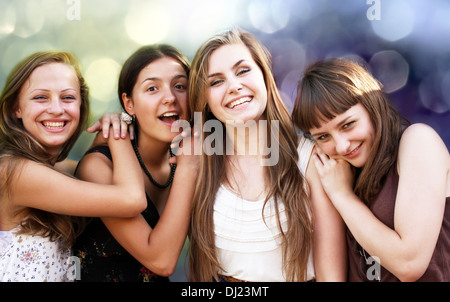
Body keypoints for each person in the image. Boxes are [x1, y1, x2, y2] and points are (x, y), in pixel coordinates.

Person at [188, 28, 346, 282]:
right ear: (204, 99)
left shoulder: (310, 160)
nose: (234, 86)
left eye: (243, 71)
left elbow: (332, 277)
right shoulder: (198, 163)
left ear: (265, 76)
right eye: (216, 81)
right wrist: (119, 125)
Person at [292, 57, 450, 281]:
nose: (341, 145)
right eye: (323, 136)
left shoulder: (417, 142)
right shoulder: (335, 171)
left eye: (348, 125)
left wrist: (342, 195)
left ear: (372, 105)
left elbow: (409, 263)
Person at [0, 51, 147, 282]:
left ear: (81, 105)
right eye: (40, 97)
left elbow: (92, 172)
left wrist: (103, 139)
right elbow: (132, 199)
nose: (57, 109)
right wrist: (119, 132)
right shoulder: (13, 171)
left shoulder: (60, 169)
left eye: (68, 98)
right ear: (15, 108)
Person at [72, 44, 199, 282]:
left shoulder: (189, 158)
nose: (170, 97)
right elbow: (161, 261)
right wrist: (189, 168)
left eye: (180, 86)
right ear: (128, 104)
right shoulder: (99, 167)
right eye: (152, 88)